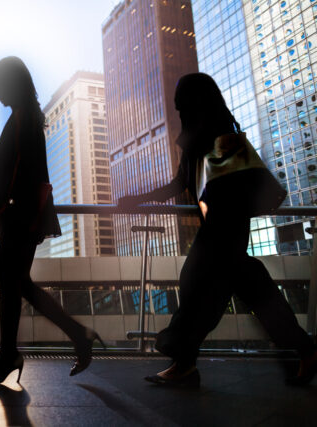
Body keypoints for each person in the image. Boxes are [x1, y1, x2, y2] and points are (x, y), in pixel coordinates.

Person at [119, 73, 317, 387]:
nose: (176, 105)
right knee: (245, 294)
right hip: (224, 232)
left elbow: (215, 190)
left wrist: (137, 200)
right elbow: (180, 183)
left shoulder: (221, 134)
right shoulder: (201, 135)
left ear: (193, 100)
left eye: (180, 98)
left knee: (201, 287)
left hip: (224, 231)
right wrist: (138, 200)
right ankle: (306, 350)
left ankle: (183, 363)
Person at [0, 56, 103, 385]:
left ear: (11, 83)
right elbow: (13, 170)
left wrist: (14, 211)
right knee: (16, 281)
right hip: (24, 212)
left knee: (11, 279)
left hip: (21, 213)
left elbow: (15, 173)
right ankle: (71, 336)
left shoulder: (23, 119)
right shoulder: (26, 117)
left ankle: (13, 355)